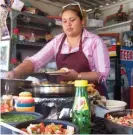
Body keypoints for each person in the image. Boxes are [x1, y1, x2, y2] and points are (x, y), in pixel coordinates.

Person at [6, 2, 110, 97]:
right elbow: (35, 61)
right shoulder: (57, 41)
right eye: (64, 21)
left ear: (82, 21)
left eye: (72, 20)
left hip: (91, 95)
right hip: (66, 95)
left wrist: (78, 76)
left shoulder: (95, 42)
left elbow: (102, 75)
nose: (68, 24)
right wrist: (15, 72)